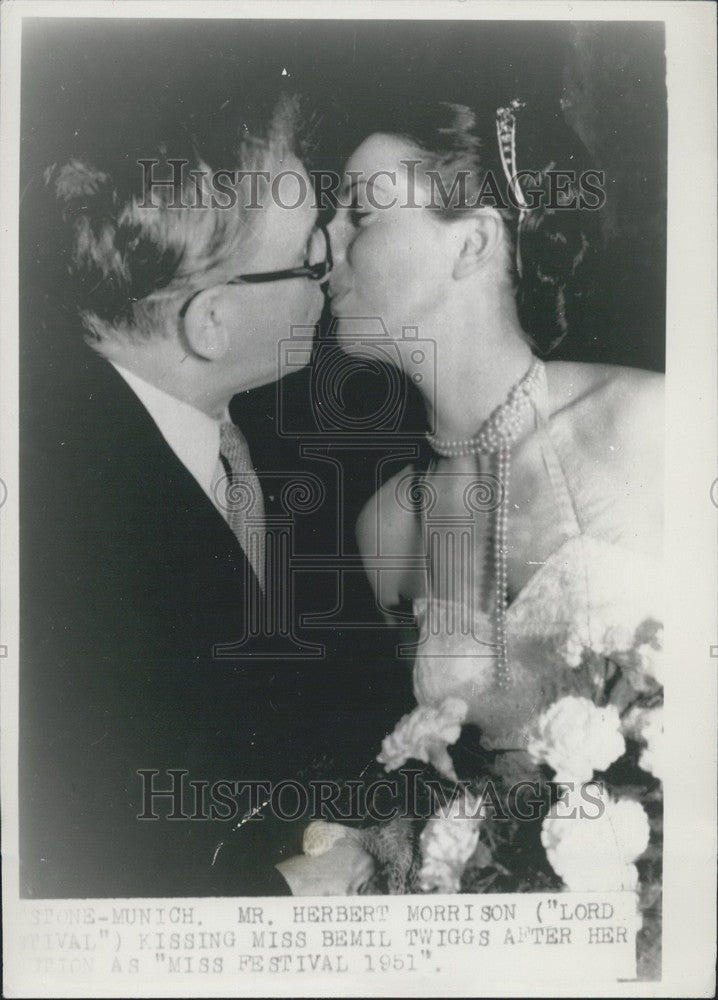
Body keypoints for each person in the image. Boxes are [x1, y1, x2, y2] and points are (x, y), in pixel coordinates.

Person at [19, 93, 373, 897]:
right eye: (313, 250)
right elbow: (63, 858)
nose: (339, 257)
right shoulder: (50, 526)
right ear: (210, 323)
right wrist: (277, 900)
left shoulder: (266, 438)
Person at [326, 98, 663, 775]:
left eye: (358, 215)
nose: (323, 245)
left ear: (473, 242)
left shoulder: (647, 420)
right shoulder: (386, 526)